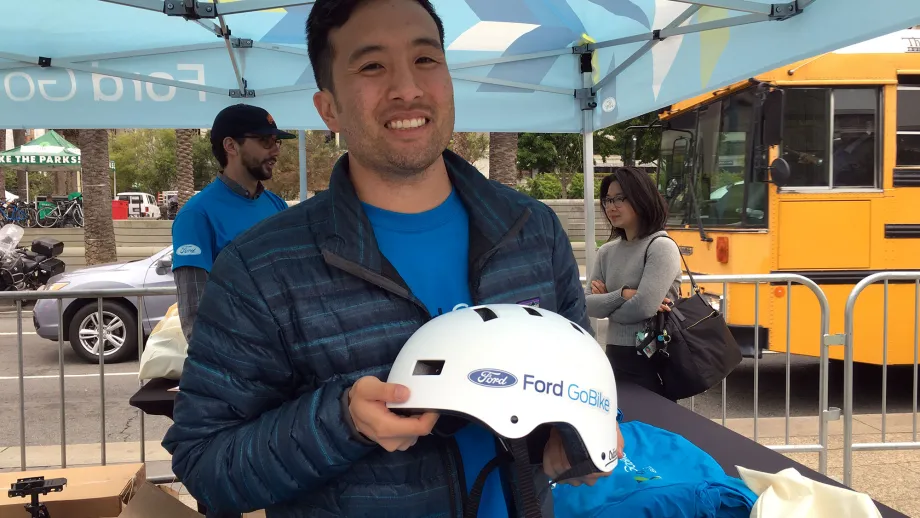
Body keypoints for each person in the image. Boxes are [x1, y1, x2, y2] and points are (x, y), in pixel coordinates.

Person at [161, 0, 622, 516]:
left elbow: (579, 387)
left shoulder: (533, 231)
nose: (407, 88)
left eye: (426, 60)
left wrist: (577, 443)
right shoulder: (262, 266)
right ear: (328, 107)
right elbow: (204, 463)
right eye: (372, 66)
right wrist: (342, 423)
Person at [170, 104, 294, 341]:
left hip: (284, 361)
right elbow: (195, 315)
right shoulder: (196, 216)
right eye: (265, 141)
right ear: (230, 146)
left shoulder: (277, 205)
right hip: (237, 364)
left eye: (277, 142)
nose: (276, 151)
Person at [585, 167, 683, 399]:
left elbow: (644, 307)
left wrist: (608, 300)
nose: (611, 206)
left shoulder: (661, 246)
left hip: (652, 356)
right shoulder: (607, 251)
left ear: (641, 198)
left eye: (620, 198)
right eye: (608, 200)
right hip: (614, 354)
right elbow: (588, 303)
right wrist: (624, 294)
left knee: (651, 429)